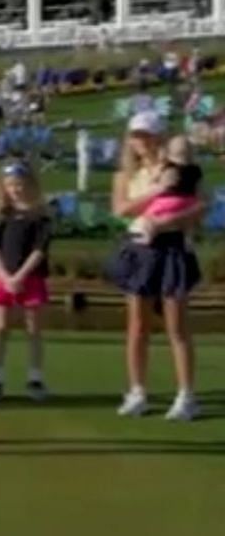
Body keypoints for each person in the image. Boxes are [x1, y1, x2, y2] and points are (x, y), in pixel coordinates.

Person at [108, 113, 204, 419]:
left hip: (172, 246)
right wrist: (159, 191)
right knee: (137, 326)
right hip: (138, 248)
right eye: (136, 135)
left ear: (160, 137)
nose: (141, 141)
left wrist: (166, 222)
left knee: (177, 326)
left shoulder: (179, 169)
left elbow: (200, 207)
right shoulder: (126, 175)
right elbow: (122, 208)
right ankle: (137, 392)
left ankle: (186, 395)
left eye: (147, 135)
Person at [0, 162, 52, 402]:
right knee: (1, 328)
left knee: (33, 329)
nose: (16, 189)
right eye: (11, 185)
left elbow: (39, 250)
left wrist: (20, 276)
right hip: (4, 277)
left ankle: (35, 378)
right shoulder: (2, 214)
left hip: (30, 277)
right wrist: (5, 276)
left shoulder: (40, 216)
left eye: (20, 184)